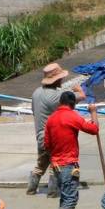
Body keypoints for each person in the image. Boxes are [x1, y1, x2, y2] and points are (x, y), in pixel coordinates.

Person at [44, 90, 99, 209]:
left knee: (65, 195)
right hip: (68, 164)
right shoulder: (72, 116)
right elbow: (94, 129)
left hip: (55, 166)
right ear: (73, 104)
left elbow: (47, 145)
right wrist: (93, 112)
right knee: (70, 198)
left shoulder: (51, 119)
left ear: (60, 103)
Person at [29, 63, 84, 197]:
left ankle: (31, 189)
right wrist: (79, 90)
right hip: (53, 138)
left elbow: (33, 111)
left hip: (40, 136)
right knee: (55, 166)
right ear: (57, 80)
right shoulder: (57, 96)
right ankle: (53, 193)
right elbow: (81, 97)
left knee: (40, 164)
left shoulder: (36, 93)